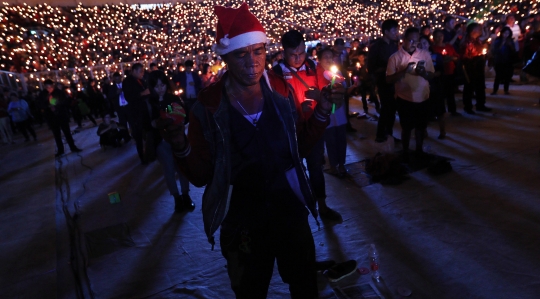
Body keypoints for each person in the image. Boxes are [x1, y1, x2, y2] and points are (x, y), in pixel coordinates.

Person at [157, 4, 344, 298]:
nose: (252, 62)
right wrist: (180, 144)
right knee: (250, 290)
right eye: (241, 54)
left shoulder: (282, 91)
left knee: (304, 285)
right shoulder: (208, 106)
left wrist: (322, 110)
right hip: (242, 220)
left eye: (257, 51)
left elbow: (300, 149)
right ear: (225, 57)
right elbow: (202, 176)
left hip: (289, 211)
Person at [272, 29, 342, 221]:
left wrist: (322, 97)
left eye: (301, 53)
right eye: (292, 54)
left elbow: (329, 96)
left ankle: (322, 205)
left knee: (315, 167)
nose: (297, 58)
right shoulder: (275, 74)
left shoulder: (313, 67)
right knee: (290, 170)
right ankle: (293, 210)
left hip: (313, 129)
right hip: (288, 132)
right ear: (283, 52)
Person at [148, 71, 195, 212]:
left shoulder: (171, 99)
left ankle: (186, 195)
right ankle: (177, 198)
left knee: (182, 168)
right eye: (156, 86)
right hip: (162, 142)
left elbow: (179, 115)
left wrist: (168, 117)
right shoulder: (150, 102)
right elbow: (148, 122)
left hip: (177, 139)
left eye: (162, 85)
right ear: (152, 87)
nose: (160, 88)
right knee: (168, 170)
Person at [386, 27, 434, 159]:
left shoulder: (425, 54)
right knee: (406, 128)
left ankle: (419, 150)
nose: (413, 43)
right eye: (410, 40)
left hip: (423, 96)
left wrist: (423, 73)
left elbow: (431, 74)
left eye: (416, 41)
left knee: (420, 127)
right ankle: (406, 151)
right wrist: (404, 71)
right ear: (404, 40)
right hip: (404, 98)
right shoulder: (395, 57)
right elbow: (389, 79)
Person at [368, 19, 399, 143]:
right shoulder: (376, 47)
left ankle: (389, 134)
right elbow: (371, 67)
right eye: (394, 30)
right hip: (383, 81)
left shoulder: (394, 45)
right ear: (386, 31)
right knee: (386, 108)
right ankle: (381, 134)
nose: (396, 32)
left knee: (392, 109)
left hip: (394, 81)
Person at [38, 79, 82, 157]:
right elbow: (40, 104)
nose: (49, 88)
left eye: (50, 87)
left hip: (61, 116)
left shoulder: (59, 92)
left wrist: (56, 105)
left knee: (67, 133)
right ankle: (60, 150)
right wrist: (48, 106)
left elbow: (65, 102)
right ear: (44, 87)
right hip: (51, 117)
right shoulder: (42, 94)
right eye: (47, 87)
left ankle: (73, 147)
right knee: (57, 135)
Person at [418, 35, 446, 139]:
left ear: (429, 44)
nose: (423, 46)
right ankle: (423, 131)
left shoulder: (436, 56)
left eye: (425, 43)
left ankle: (442, 131)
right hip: (421, 87)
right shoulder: (416, 58)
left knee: (439, 110)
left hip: (435, 86)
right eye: (420, 44)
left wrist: (432, 74)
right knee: (423, 110)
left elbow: (441, 70)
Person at [460, 23, 492, 114]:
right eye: (479, 29)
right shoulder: (467, 42)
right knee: (469, 87)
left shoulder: (477, 40)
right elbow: (465, 56)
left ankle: (480, 104)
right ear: (473, 31)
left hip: (479, 66)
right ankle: (468, 107)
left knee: (480, 86)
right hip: (470, 67)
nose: (481, 31)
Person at [123, 63, 151, 164]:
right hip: (135, 113)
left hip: (145, 110)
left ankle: (150, 153)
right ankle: (142, 157)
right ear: (134, 71)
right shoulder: (127, 82)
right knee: (138, 135)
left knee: (148, 132)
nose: (142, 73)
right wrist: (142, 93)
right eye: (140, 71)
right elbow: (129, 97)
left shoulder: (141, 80)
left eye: (143, 71)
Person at [432, 28, 461, 116]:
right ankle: (441, 112)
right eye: (437, 37)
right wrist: (443, 61)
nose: (439, 38)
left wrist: (452, 58)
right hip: (439, 73)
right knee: (440, 94)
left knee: (450, 93)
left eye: (441, 36)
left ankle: (452, 110)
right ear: (433, 38)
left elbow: (456, 57)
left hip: (450, 71)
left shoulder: (448, 46)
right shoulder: (433, 48)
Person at [490, 27, 517, 95]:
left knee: (507, 76)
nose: (506, 35)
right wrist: (502, 43)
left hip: (508, 60)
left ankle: (506, 90)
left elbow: (514, 51)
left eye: (507, 33)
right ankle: (495, 90)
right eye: (505, 33)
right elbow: (495, 50)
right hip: (499, 60)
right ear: (502, 33)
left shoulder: (510, 40)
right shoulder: (498, 40)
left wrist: (510, 45)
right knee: (498, 76)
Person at [108, 72, 131, 143]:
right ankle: (126, 137)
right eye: (116, 79)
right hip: (120, 108)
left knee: (132, 121)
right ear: (114, 79)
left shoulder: (126, 85)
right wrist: (116, 93)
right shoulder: (112, 87)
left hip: (128, 106)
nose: (118, 80)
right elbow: (110, 96)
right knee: (123, 124)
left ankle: (135, 135)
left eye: (119, 79)